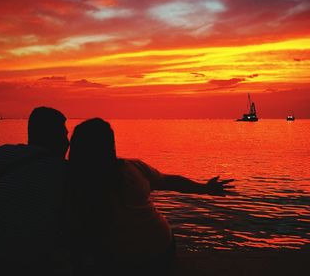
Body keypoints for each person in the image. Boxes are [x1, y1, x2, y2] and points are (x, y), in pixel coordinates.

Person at [65, 118, 233, 275]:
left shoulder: (69, 178)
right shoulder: (133, 168)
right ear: (111, 145)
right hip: (162, 250)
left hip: (121, 262)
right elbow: (170, 181)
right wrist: (204, 188)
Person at [0, 106, 70, 275]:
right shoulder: (63, 170)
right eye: (63, 134)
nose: (67, 141)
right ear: (53, 136)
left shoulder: (7, 154)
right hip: (31, 262)